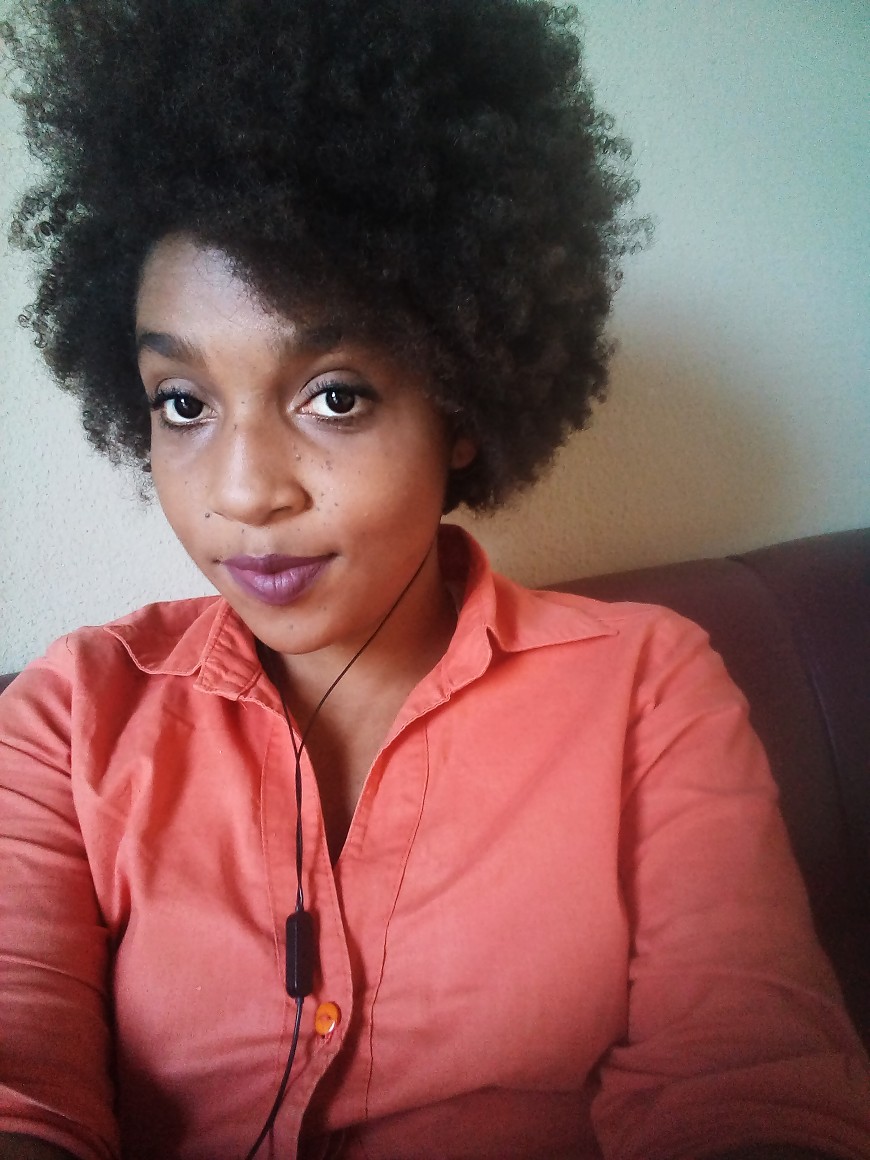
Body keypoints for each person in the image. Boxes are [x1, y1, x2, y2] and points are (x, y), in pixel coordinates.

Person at [0, 2, 868, 1159]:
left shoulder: (646, 688)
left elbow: (748, 1078)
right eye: (185, 403)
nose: (244, 491)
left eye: (335, 394)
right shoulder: (69, 718)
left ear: (458, 407)